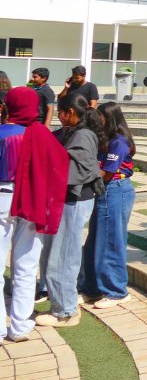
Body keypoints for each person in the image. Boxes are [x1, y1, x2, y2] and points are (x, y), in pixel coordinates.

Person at [0, 87, 69, 341]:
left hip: (2, 198)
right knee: (26, 266)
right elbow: (60, 163)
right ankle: (19, 327)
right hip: (32, 201)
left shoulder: (2, 133)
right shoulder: (41, 134)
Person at [35, 93, 103, 328]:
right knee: (58, 253)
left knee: (62, 256)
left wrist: (48, 167)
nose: (58, 116)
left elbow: (78, 171)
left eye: (60, 112)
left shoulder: (83, 135)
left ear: (70, 113)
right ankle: (65, 303)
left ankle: (65, 311)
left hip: (73, 202)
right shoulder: (72, 131)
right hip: (65, 202)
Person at [80, 102, 136, 309]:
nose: (97, 120)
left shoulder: (119, 143)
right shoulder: (105, 140)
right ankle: (92, 288)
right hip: (104, 191)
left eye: (100, 116)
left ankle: (116, 291)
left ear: (109, 118)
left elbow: (107, 173)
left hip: (115, 190)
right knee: (95, 241)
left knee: (111, 241)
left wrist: (85, 167)